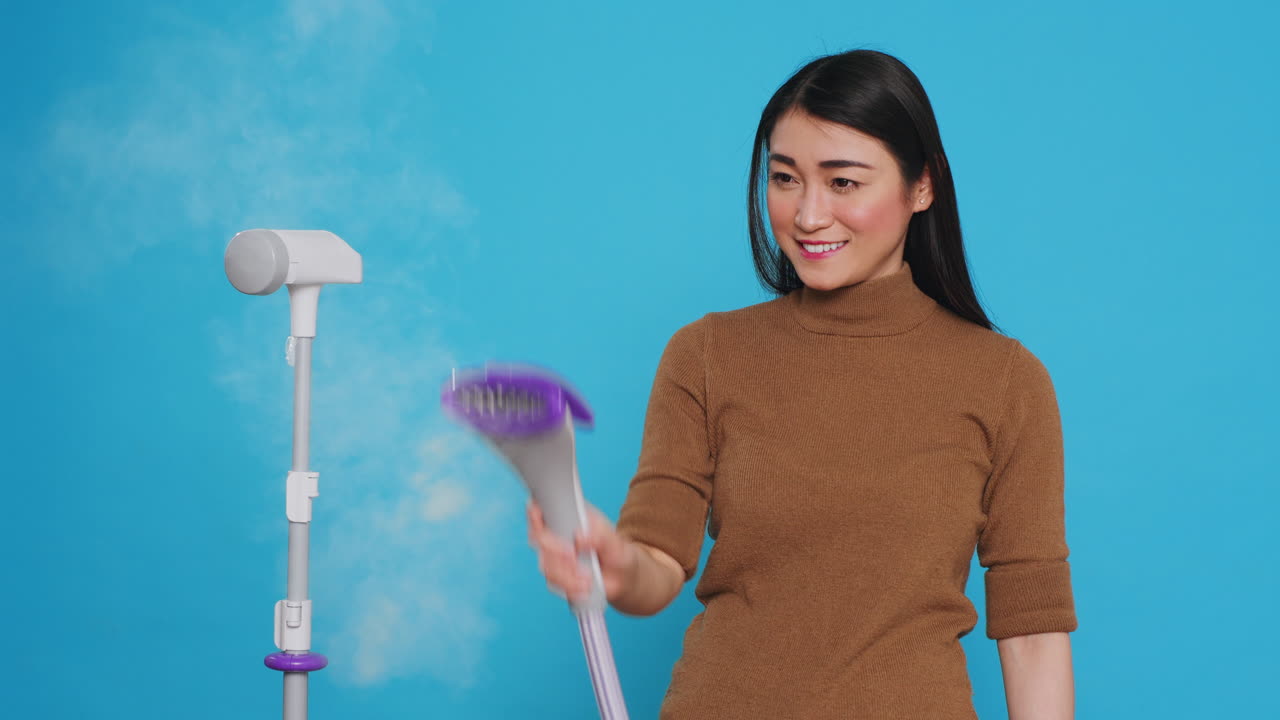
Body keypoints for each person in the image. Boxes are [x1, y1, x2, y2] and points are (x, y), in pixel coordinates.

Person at [527, 48, 1078, 719]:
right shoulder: (705, 354)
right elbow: (656, 566)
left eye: (843, 182)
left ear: (922, 185)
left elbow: (1033, 630)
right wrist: (613, 564)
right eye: (785, 179)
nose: (808, 215)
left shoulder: (1006, 381)